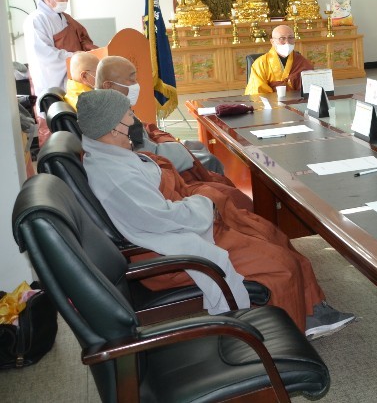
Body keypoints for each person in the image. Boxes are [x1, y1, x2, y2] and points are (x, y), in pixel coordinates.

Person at [76, 89, 355, 337]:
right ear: (113, 128)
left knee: (269, 233)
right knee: (278, 264)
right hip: (170, 252)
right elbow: (162, 218)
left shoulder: (110, 153)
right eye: (129, 115)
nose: (134, 120)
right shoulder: (115, 176)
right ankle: (286, 335)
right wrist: (204, 203)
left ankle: (311, 308)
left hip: (182, 229)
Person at [97, 55, 230, 185]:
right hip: (154, 163)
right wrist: (177, 148)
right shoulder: (112, 116)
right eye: (131, 80)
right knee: (210, 160)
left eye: (136, 79)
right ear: (108, 86)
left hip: (153, 149)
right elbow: (146, 153)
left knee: (197, 145)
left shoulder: (108, 104)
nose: (136, 85)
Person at [23, 0, 97, 96]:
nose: (65, 1)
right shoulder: (36, 19)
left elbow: (82, 37)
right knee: (56, 103)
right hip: (52, 78)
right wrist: (73, 57)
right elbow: (44, 53)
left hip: (72, 71)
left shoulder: (65, 17)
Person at [245, 24, 313, 95]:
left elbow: (310, 88)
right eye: (282, 38)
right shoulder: (261, 63)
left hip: (297, 100)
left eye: (290, 38)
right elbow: (257, 92)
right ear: (272, 42)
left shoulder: (302, 61)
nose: (287, 42)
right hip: (271, 101)